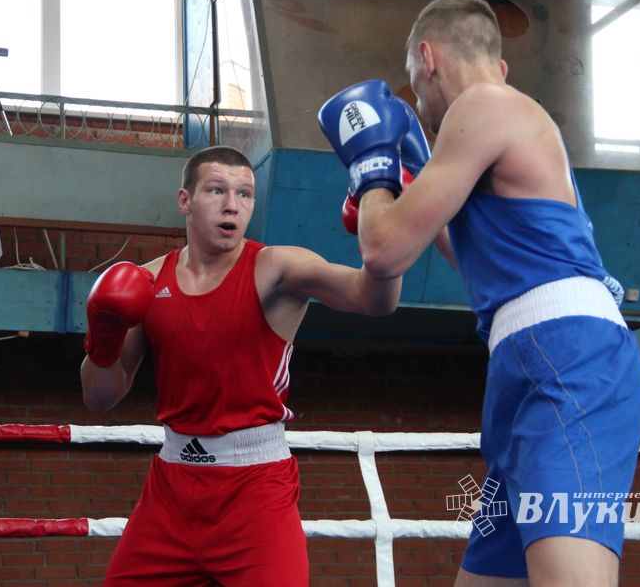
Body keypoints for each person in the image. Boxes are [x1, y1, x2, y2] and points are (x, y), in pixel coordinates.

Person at [318, 0, 640, 587]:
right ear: (499, 63)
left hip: (567, 361)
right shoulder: (490, 124)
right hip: (527, 362)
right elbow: (457, 247)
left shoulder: (483, 104)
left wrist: (371, 170)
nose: (418, 102)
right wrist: (402, 183)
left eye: (414, 80)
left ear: (427, 58)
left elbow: (384, 250)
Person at [80, 145, 402, 586]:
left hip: (256, 490)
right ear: (185, 201)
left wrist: (386, 228)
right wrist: (104, 339)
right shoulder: (148, 280)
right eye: (216, 190)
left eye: (245, 194)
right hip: (171, 489)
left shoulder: (277, 269)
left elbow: (375, 300)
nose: (232, 205)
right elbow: (99, 399)